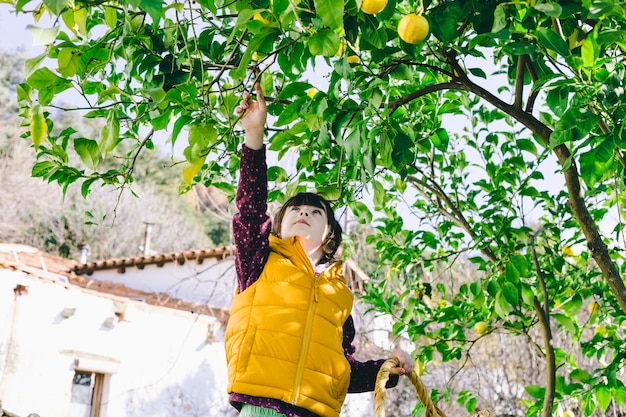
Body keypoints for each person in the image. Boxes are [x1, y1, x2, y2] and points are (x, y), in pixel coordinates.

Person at [224, 83, 414, 417]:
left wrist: (387, 369)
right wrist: (254, 134)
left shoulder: (339, 296)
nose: (304, 214)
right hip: (263, 406)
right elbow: (250, 211)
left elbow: (341, 372)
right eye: (295, 209)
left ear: (329, 234)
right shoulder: (258, 261)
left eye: (315, 212)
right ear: (278, 225)